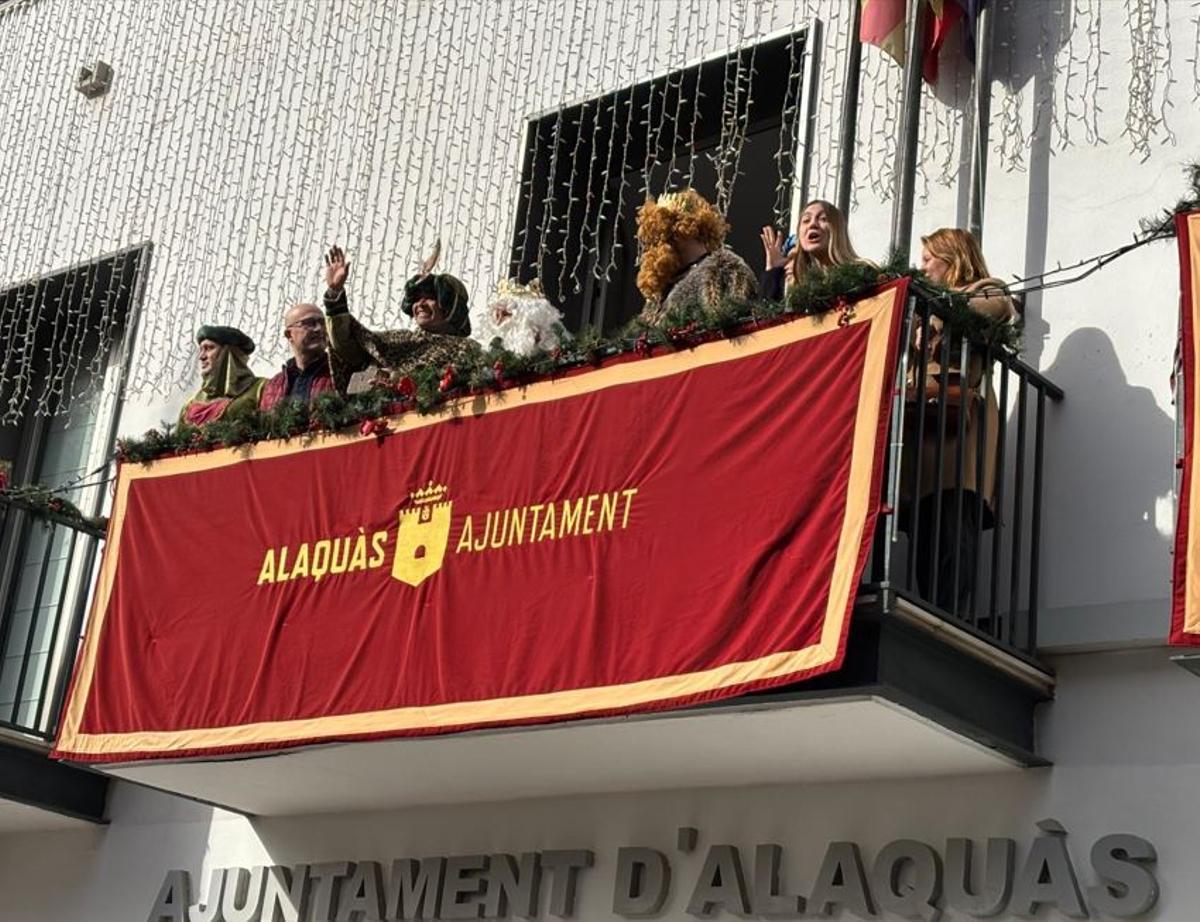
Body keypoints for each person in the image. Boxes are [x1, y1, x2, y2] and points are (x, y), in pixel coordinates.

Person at [902, 227, 1017, 614]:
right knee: (923, 518)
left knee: (954, 514)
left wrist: (934, 312)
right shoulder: (923, 308)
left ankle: (950, 608)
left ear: (951, 258)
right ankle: (930, 601)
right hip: (925, 421)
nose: (923, 269)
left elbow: (996, 310)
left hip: (960, 421)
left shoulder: (986, 290)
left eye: (928, 260)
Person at [322, 244, 477, 389]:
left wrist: (399, 380)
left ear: (451, 306)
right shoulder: (398, 340)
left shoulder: (467, 348)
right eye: (415, 299)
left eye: (430, 297)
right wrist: (335, 293)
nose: (420, 304)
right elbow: (348, 345)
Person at [634, 189, 757, 325]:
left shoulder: (723, 268)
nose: (662, 242)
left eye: (669, 232)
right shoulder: (660, 293)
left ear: (688, 230)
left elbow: (739, 320)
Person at [759, 199, 864, 300]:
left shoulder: (860, 276)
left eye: (823, 219)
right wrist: (772, 272)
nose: (812, 224)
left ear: (837, 230)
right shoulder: (797, 289)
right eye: (806, 220)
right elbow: (765, 316)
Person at [178, 325, 265, 425]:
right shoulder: (190, 405)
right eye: (201, 349)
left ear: (229, 353)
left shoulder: (260, 389)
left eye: (209, 348)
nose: (201, 357)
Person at [259, 302, 338, 411]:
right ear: (289, 334)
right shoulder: (274, 386)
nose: (319, 328)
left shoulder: (339, 373)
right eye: (309, 323)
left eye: (322, 323)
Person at [474, 278, 569, 356]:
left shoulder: (546, 338)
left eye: (506, 314)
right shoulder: (492, 349)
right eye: (497, 315)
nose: (500, 318)